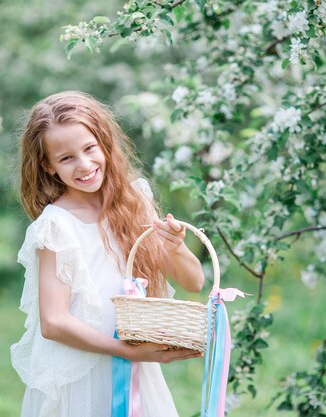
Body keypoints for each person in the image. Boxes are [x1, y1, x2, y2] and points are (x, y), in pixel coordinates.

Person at [11, 90, 205, 417]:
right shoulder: (57, 226)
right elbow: (54, 322)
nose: (85, 165)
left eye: (89, 148)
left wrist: (176, 246)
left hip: (134, 367)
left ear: (104, 143)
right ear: (48, 166)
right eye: (67, 158)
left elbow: (195, 281)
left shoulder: (134, 200)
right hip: (83, 374)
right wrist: (125, 352)